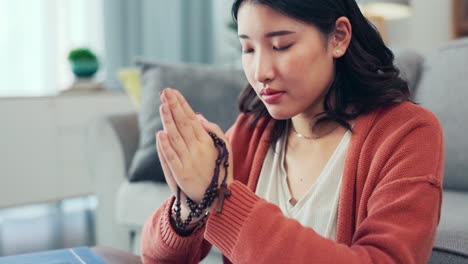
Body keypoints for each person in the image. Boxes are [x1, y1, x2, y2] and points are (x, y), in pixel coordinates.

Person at [141, 0, 444, 263]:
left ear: (338, 37)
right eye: (248, 48)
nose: (260, 72)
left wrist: (223, 199)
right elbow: (158, 258)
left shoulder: (408, 133)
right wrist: (190, 206)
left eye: (280, 45)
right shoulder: (252, 131)